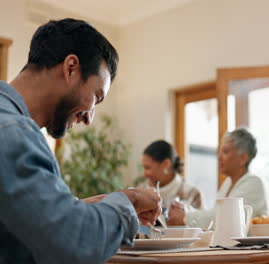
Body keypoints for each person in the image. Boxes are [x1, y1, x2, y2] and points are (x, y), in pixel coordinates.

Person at [0, 18, 161, 264]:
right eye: (96, 97)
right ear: (71, 68)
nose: (89, 118)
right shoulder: (13, 132)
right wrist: (131, 201)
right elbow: (74, 243)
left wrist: (88, 207)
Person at [168, 128, 269, 229]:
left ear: (243, 158)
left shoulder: (254, 183)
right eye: (219, 152)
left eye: (225, 152)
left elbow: (225, 218)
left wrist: (185, 216)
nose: (219, 157)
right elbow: (215, 214)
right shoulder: (228, 183)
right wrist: (185, 210)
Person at [142, 140, 203, 211]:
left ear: (166, 164)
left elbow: (203, 222)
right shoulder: (140, 193)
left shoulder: (193, 195)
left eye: (147, 168)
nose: (144, 174)